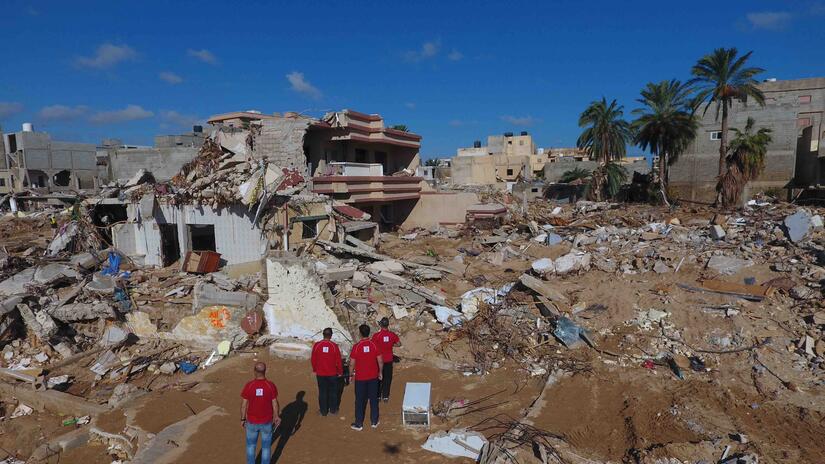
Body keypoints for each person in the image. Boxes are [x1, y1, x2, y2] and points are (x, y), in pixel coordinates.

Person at [240, 362, 281, 464]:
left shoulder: (249, 386)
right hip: (266, 422)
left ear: (254, 371)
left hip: (252, 422)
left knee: (250, 446)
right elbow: (275, 403)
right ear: (265, 371)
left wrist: (242, 419)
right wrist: (276, 416)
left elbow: (244, 405)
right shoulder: (270, 386)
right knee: (266, 447)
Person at [349, 324, 383, 431]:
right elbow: (380, 360)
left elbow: (351, 364)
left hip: (360, 378)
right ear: (369, 333)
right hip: (373, 377)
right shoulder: (374, 345)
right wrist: (380, 372)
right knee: (373, 399)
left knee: (359, 400)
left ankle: (359, 423)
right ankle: (374, 421)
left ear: (360, 333)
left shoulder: (357, 346)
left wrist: (350, 374)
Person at [310, 327, 343, 416]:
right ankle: (333, 410)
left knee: (322, 392)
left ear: (323, 335)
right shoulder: (334, 346)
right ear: (331, 335)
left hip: (320, 373)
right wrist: (340, 372)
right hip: (332, 373)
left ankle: (323, 411)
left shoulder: (317, 345)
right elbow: (338, 361)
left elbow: (313, 359)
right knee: (333, 392)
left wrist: (315, 369)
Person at [371, 317, 400, 402]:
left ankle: (378, 396)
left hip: (379, 360)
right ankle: (386, 396)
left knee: (378, 377)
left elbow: (372, 346)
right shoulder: (392, 335)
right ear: (388, 325)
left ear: (380, 325)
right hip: (389, 360)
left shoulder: (376, 336)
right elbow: (399, 344)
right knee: (387, 378)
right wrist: (391, 345)